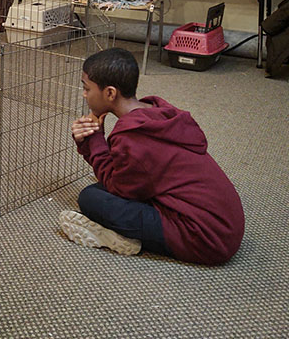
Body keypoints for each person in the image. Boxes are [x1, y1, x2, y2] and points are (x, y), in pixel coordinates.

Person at [59, 47, 245, 265]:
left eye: (86, 88)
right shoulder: (154, 110)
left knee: (90, 197)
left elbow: (119, 188)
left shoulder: (133, 137)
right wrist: (93, 142)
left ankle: (120, 237)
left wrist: (94, 141)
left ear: (109, 93)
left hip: (207, 240)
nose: (84, 94)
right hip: (224, 225)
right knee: (101, 189)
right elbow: (129, 174)